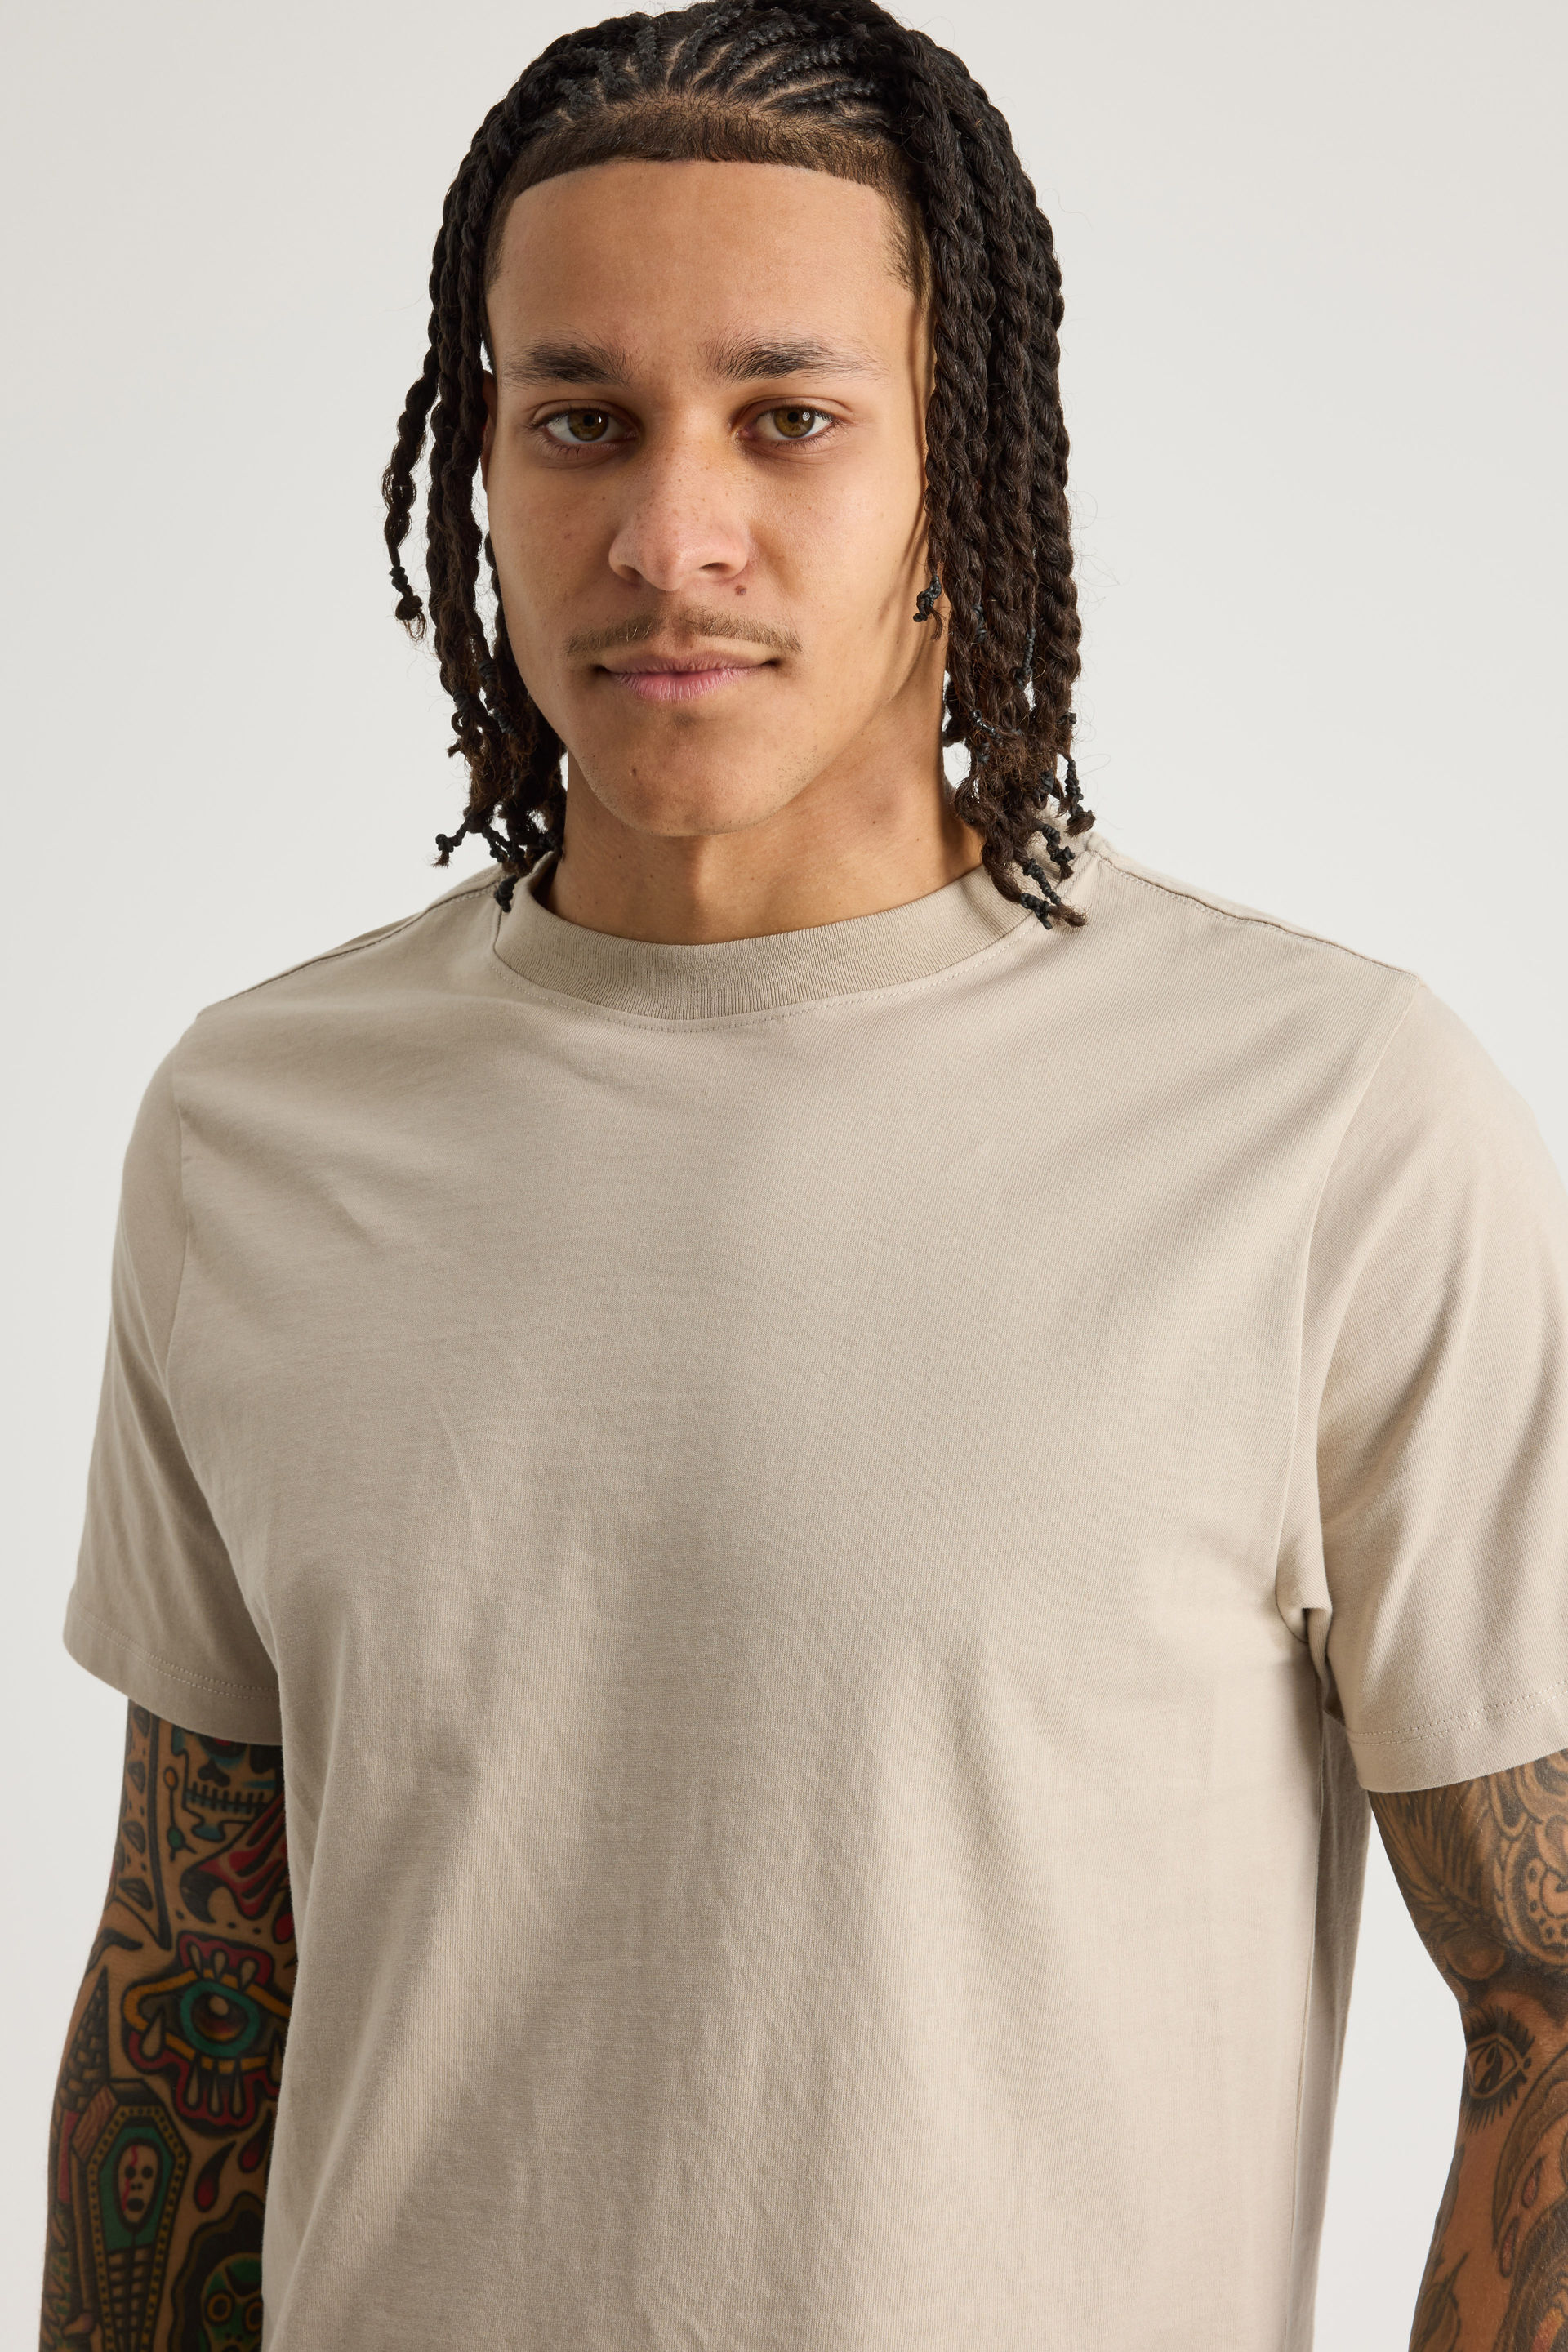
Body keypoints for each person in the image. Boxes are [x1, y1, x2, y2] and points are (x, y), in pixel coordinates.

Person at [38, 2, 1568, 2345]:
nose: (670, 539)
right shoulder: (255, 1132)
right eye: (578, 420)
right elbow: (191, 2017)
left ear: (964, 457)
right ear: (482, 464)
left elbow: (1551, 2004)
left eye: (790, 418)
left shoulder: (1323, 1121)